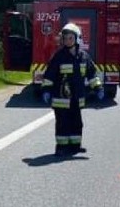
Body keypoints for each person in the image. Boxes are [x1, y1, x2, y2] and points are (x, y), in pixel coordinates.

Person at [41, 23, 103, 156]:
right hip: (61, 98)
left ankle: (75, 146)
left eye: (70, 38)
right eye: (65, 38)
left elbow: (92, 74)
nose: (67, 41)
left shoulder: (84, 57)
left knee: (77, 122)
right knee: (63, 123)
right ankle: (61, 147)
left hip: (77, 98)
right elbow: (50, 74)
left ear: (77, 38)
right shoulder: (59, 56)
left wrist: (98, 87)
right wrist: (46, 89)